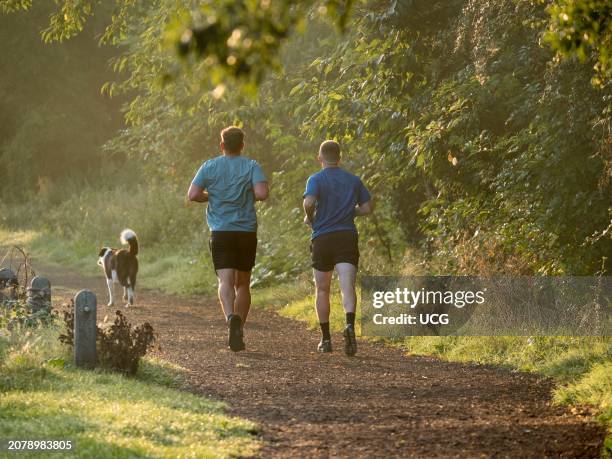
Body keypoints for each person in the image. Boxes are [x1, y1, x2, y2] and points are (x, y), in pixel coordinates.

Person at [188, 126, 268, 352]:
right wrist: (248, 194)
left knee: (225, 281)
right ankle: (239, 326)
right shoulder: (252, 166)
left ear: (222, 145)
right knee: (243, 283)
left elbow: (193, 195)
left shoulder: (209, 166)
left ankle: (230, 317)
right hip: (245, 231)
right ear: (242, 145)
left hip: (220, 231)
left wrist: (210, 196)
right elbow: (262, 194)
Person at [303, 140, 373, 356]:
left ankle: (326, 340)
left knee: (322, 289)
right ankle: (349, 324)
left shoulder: (315, 179)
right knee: (347, 286)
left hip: (323, 238)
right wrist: (352, 212)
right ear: (340, 158)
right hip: (346, 236)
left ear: (320, 157)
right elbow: (367, 208)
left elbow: (309, 203)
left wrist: (309, 217)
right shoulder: (353, 180)